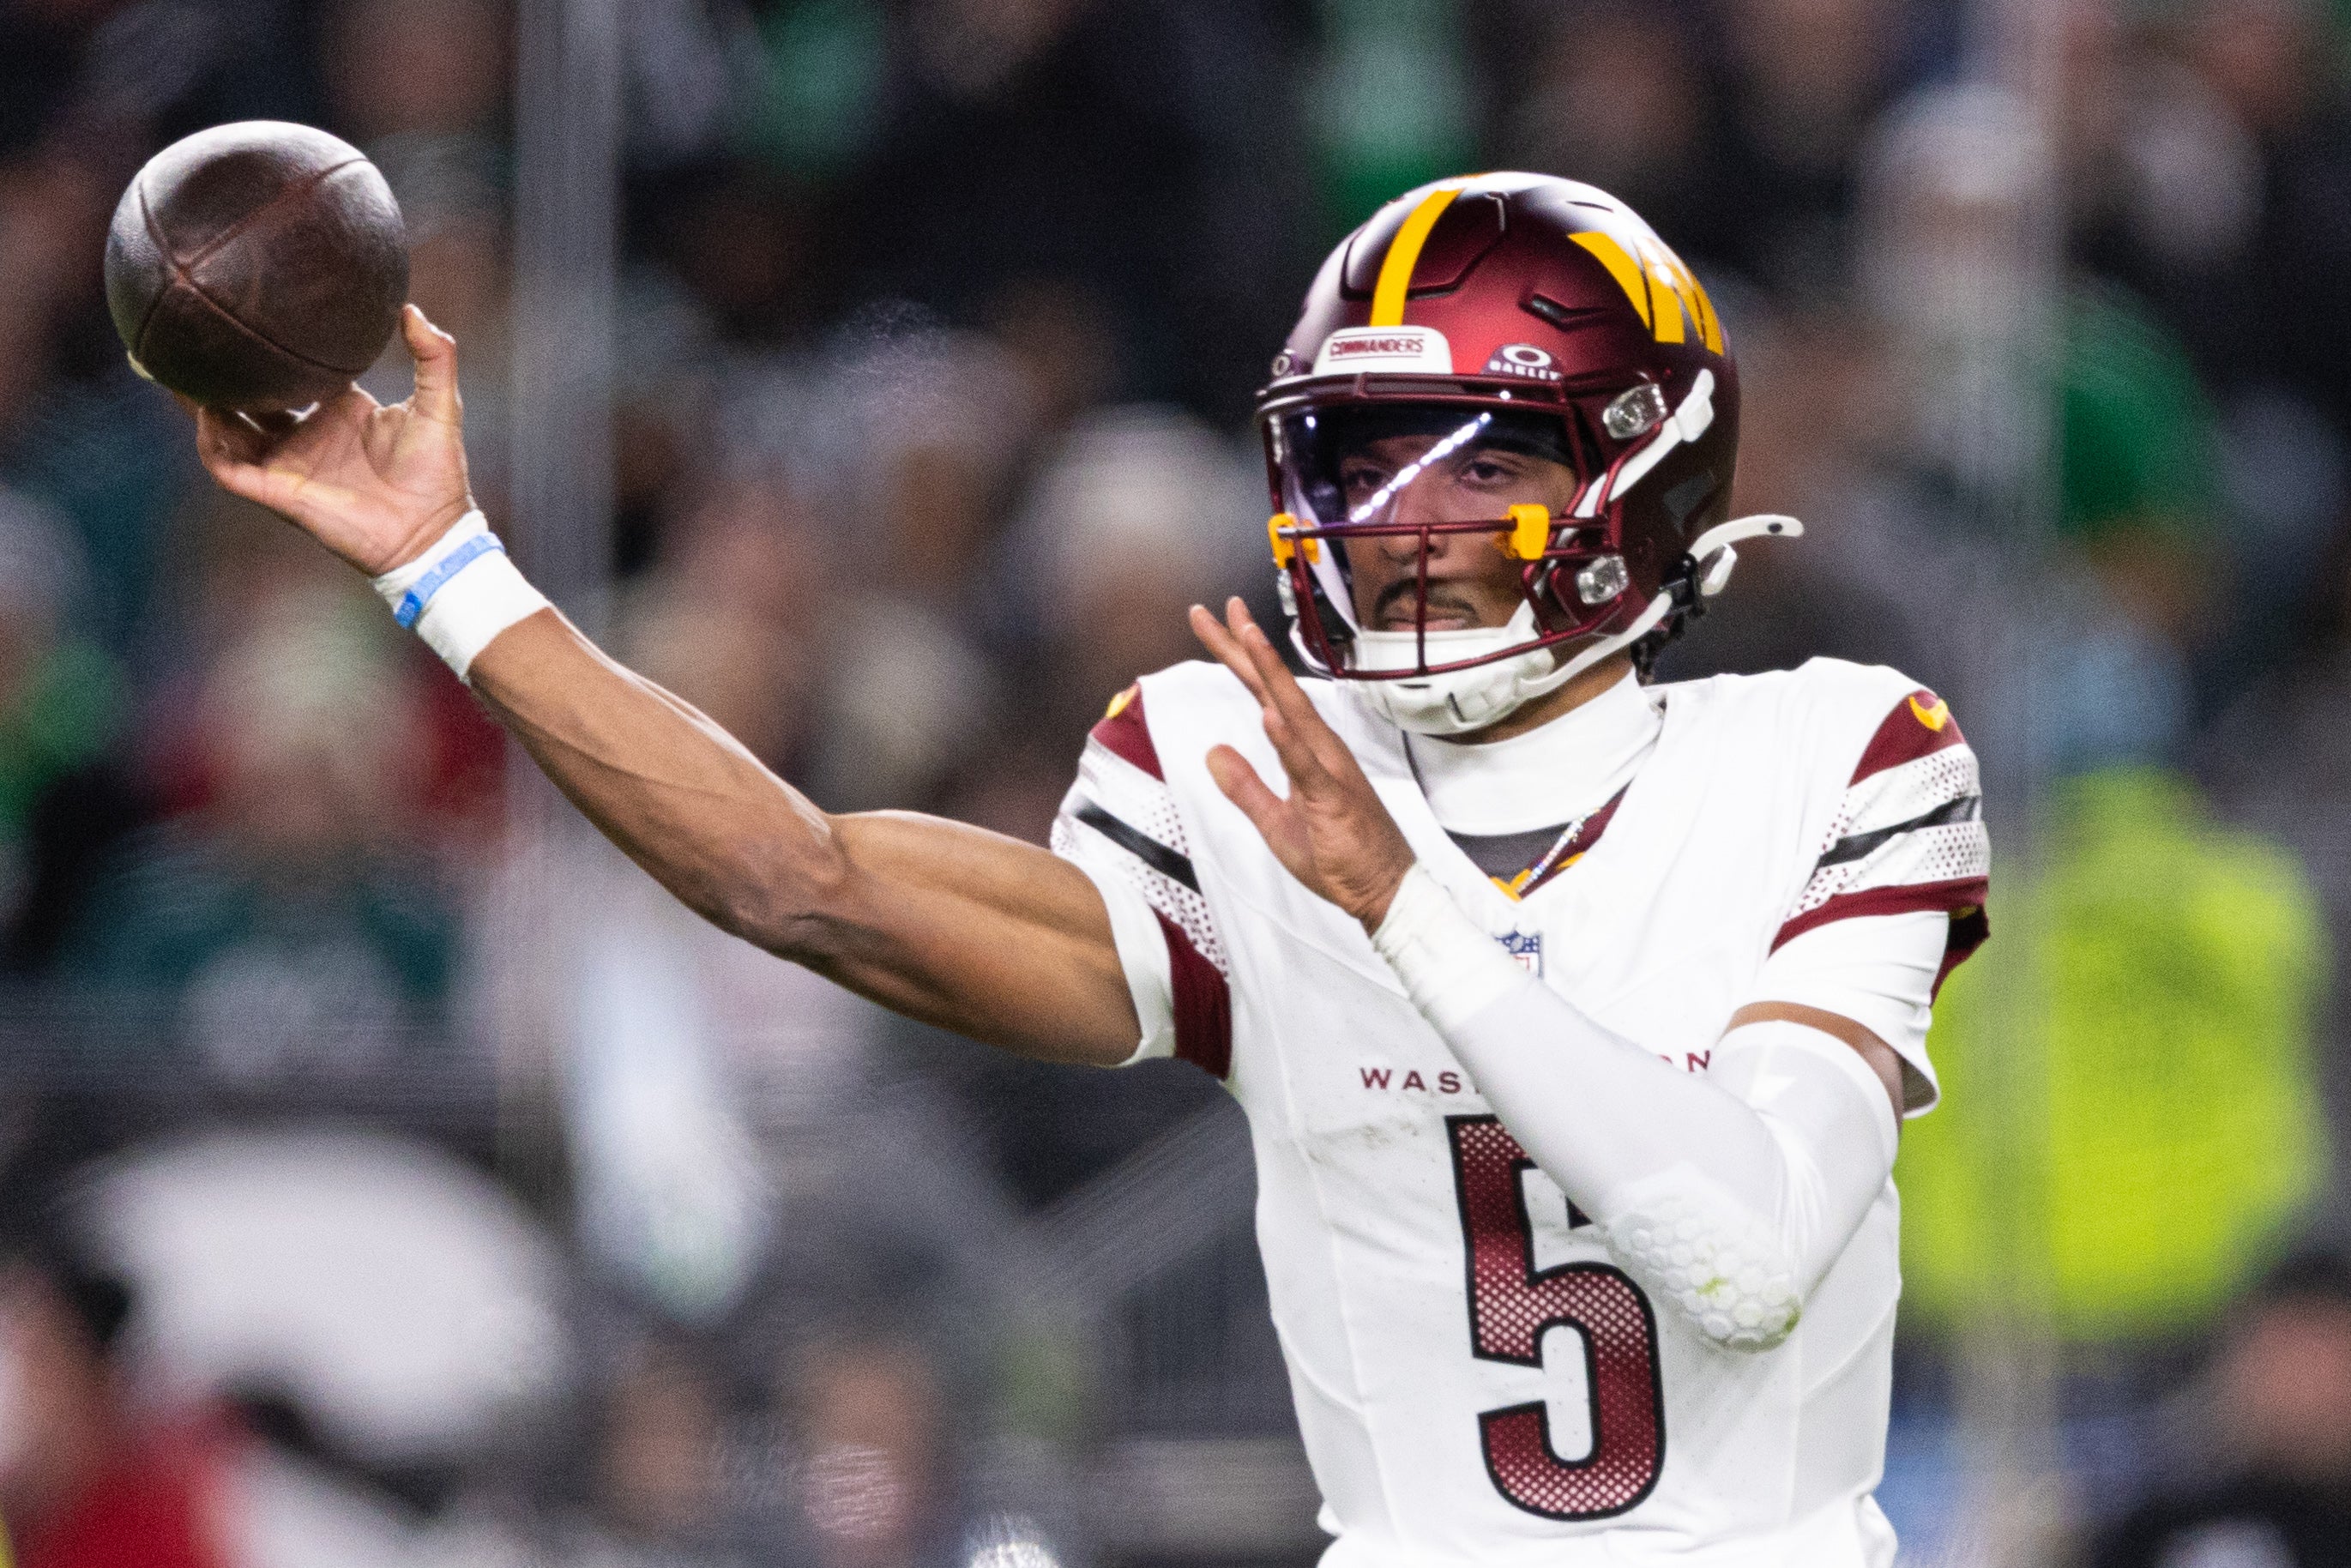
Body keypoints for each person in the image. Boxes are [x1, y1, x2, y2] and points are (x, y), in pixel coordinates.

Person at [187, 172, 1989, 1565]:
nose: (1403, 524)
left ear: (1643, 476)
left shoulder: (1835, 754)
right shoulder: (1236, 760)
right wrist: (448, 566)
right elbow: (802, 878)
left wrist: (1405, 907)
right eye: (1364, 461)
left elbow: (1746, 1252)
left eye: (1479, 463)